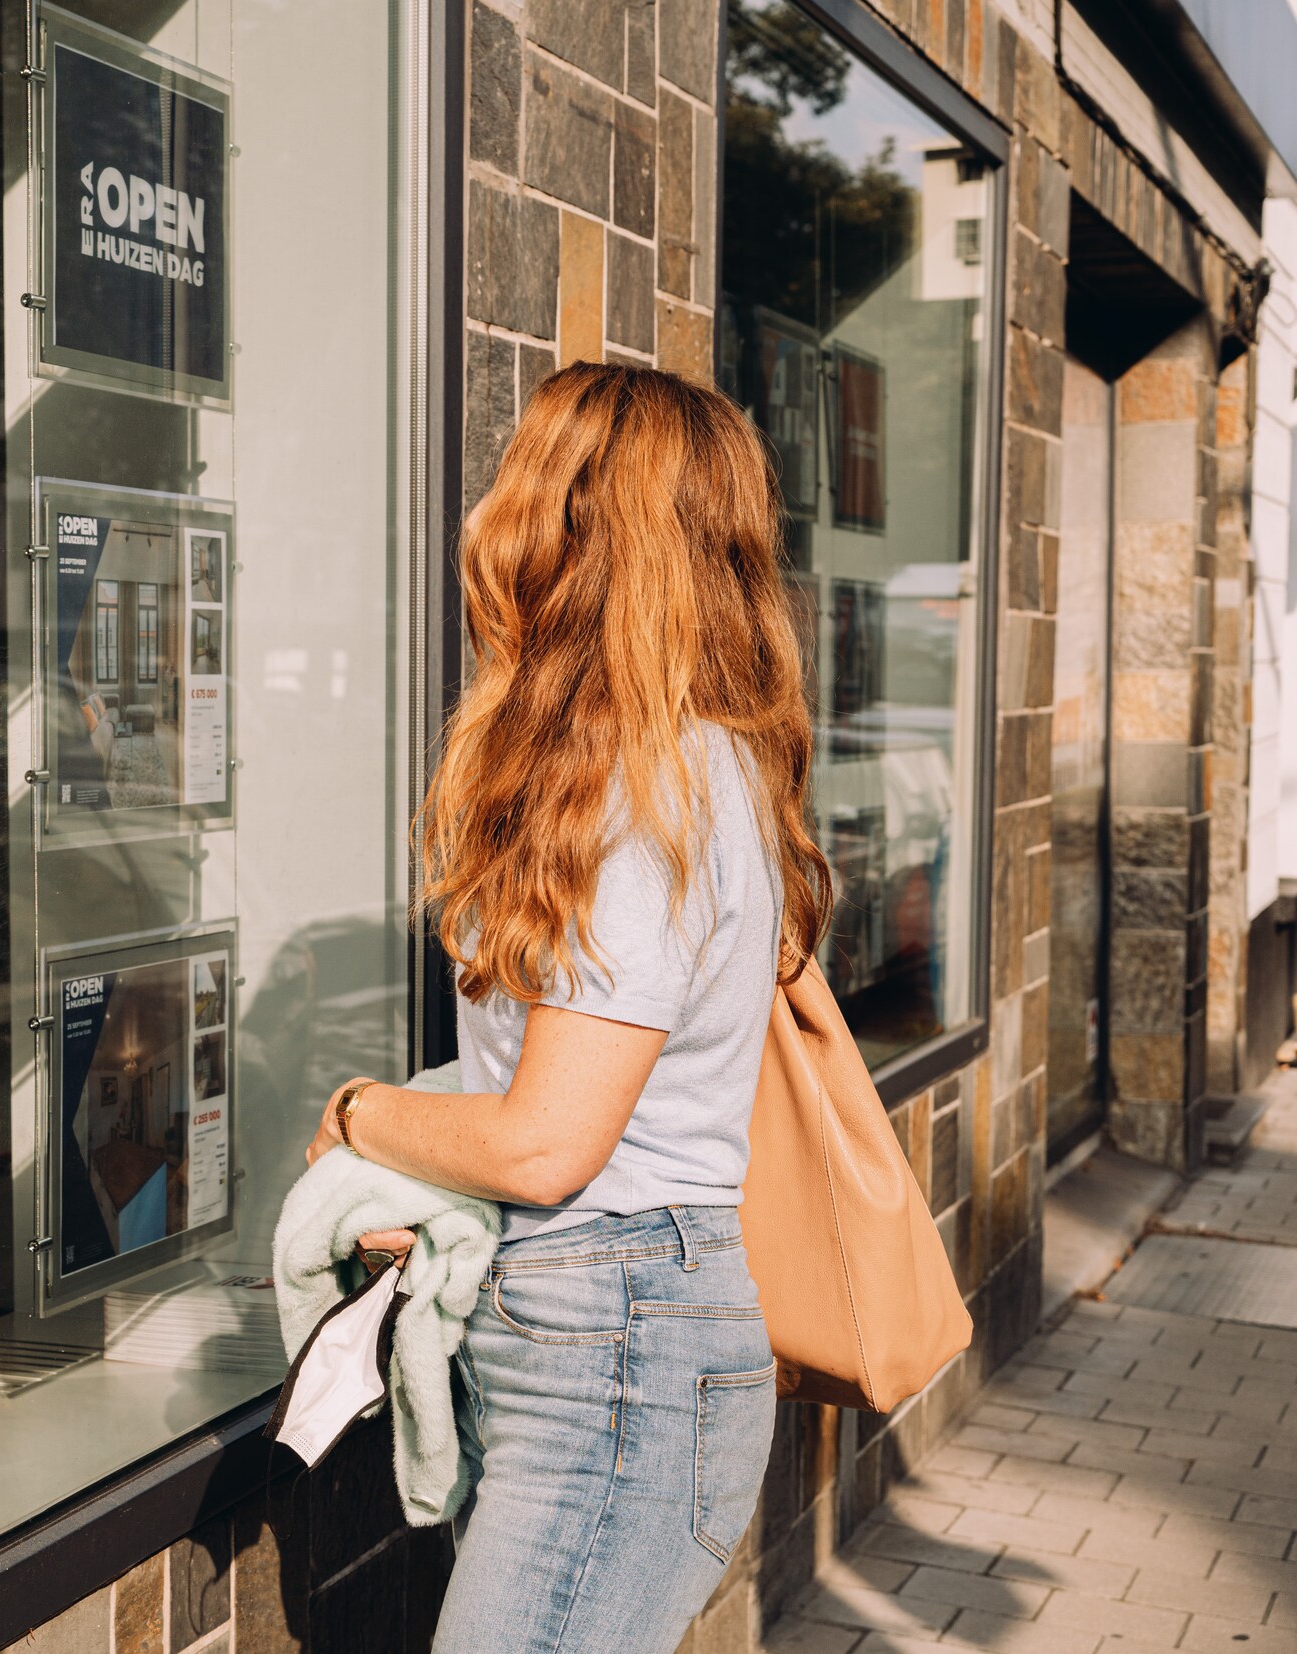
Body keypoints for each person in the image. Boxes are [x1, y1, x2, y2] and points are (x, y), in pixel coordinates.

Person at [305, 363, 834, 1653]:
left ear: (583, 535)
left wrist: (360, 1117)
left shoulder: (662, 794)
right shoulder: (638, 774)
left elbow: (549, 1143)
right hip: (592, 1343)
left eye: (526, 483)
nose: (492, 514)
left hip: (625, 1360)